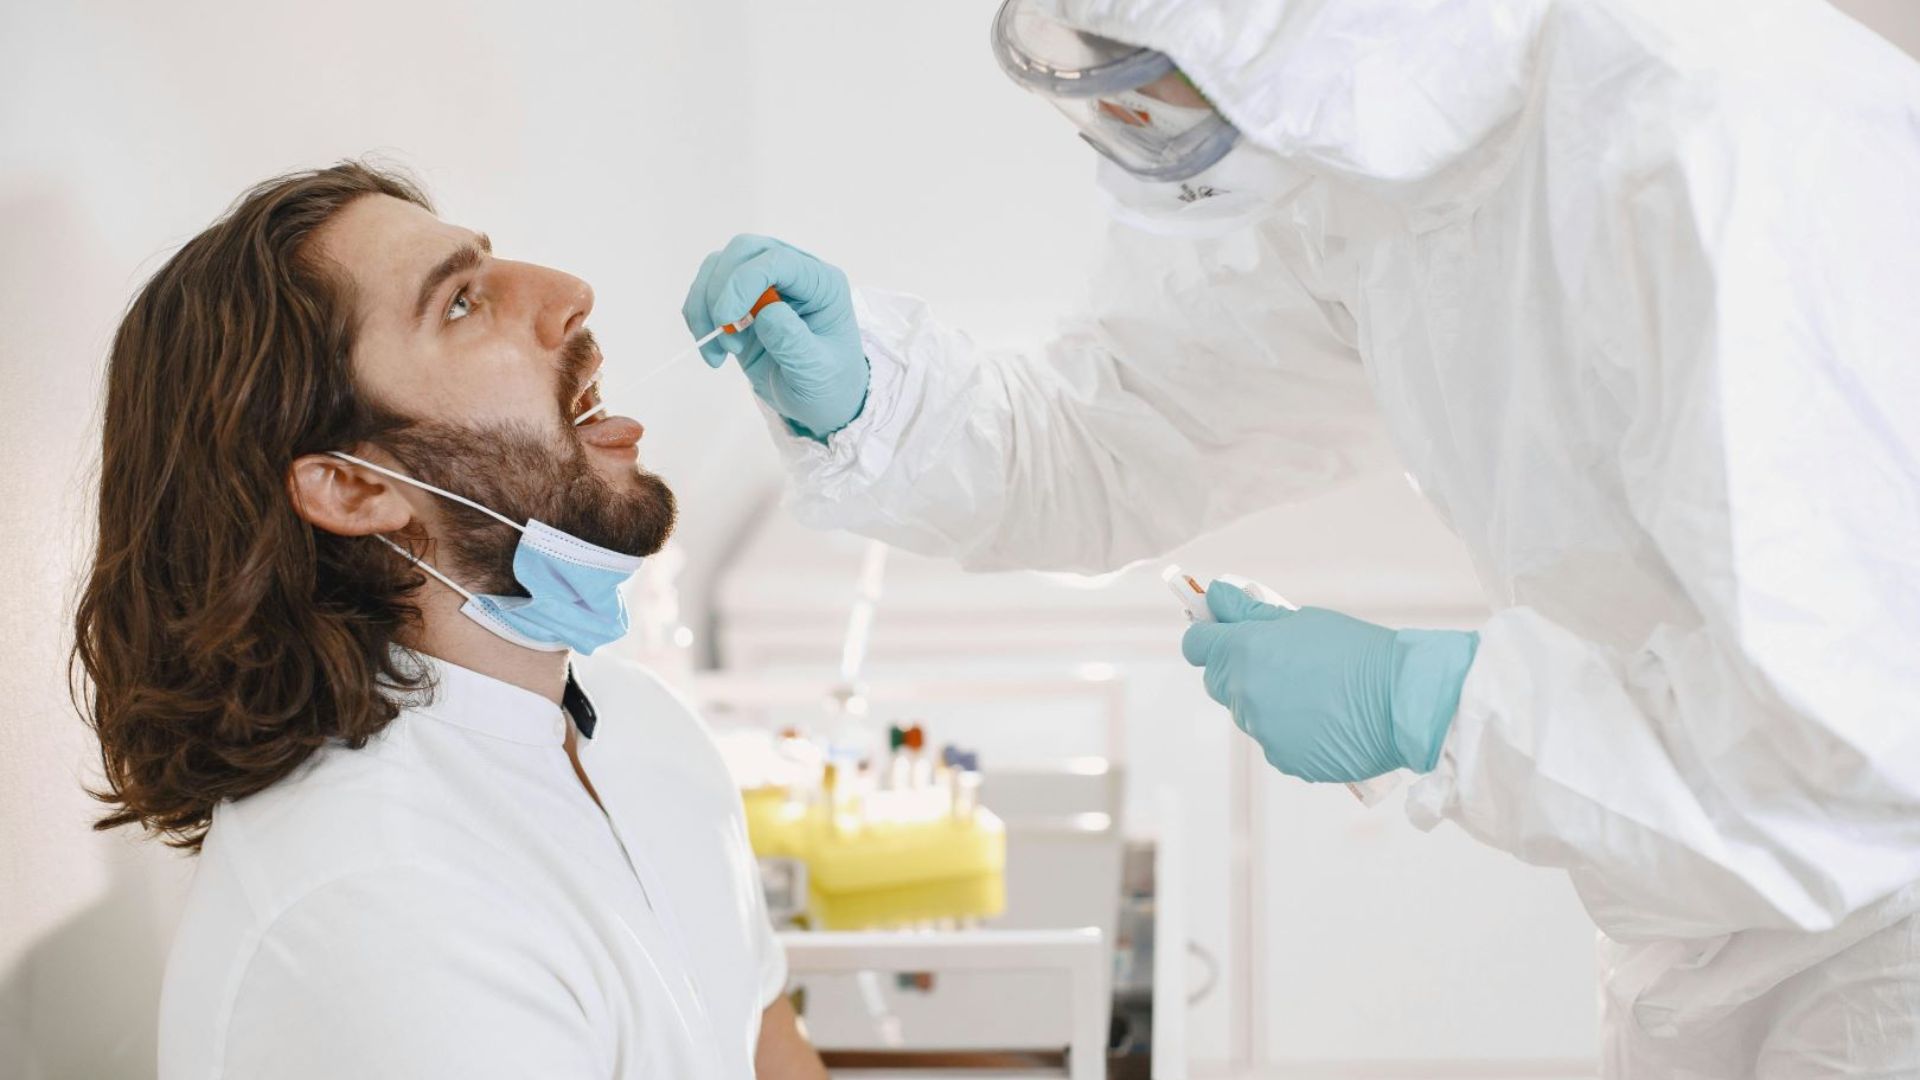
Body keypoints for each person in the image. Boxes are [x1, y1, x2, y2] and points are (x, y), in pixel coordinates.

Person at [680, 0, 1920, 1074]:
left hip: (1884, 949)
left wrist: (1437, 704)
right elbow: (1126, 430)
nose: (1138, 97)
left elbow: (1854, 752)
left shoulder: (1725, 144)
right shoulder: (1389, 153)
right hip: (1714, 921)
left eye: (1151, 53)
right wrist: (872, 404)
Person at [72, 162, 827, 1080]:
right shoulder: (376, 907)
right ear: (352, 486)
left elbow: (770, 1054)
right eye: (461, 303)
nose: (569, 296)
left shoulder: (643, 726)